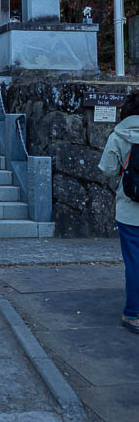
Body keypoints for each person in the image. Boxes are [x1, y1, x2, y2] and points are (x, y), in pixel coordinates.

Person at [99, 91, 139, 333]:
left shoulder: (119, 136)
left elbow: (108, 170)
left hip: (129, 213)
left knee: (134, 263)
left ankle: (133, 315)